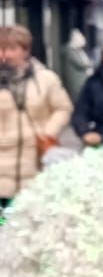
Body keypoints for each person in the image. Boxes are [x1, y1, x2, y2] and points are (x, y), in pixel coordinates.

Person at [0, 25, 72, 207]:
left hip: (34, 163)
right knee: (3, 219)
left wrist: (48, 132)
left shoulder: (46, 79)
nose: (6, 55)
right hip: (2, 164)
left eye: (12, 49)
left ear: (26, 50)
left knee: (27, 216)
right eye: (2, 49)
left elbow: (63, 108)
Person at [60, 27, 93, 104]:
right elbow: (80, 63)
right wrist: (89, 64)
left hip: (82, 80)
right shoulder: (69, 50)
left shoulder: (78, 50)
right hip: (75, 81)